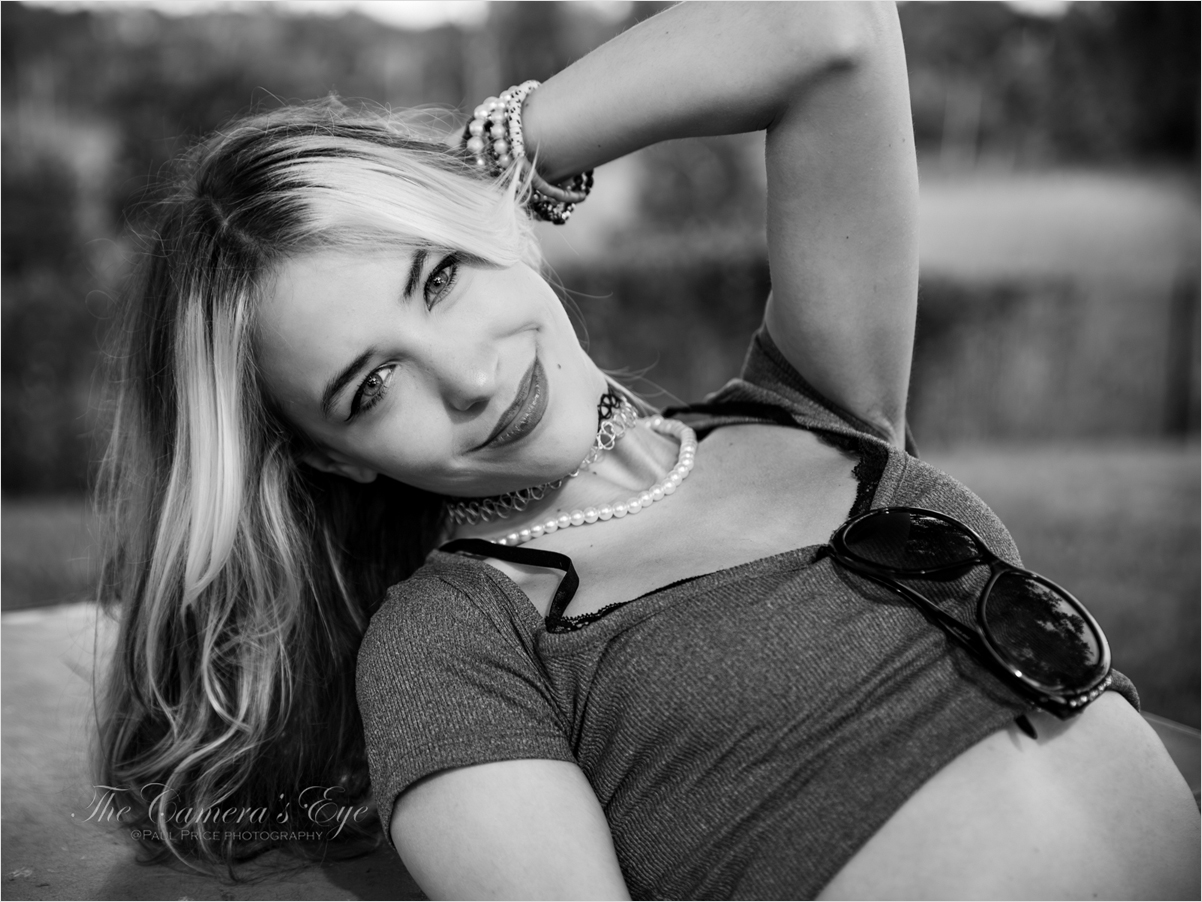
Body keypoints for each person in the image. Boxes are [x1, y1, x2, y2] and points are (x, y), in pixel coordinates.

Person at [96, 3, 1199, 898]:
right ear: (334, 457)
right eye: (372, 386)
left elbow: (831, 29)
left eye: (440, 277)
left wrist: (506, 151)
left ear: (492, 226)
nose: (469, 375)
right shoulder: (453, 642)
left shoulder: (814, 403)